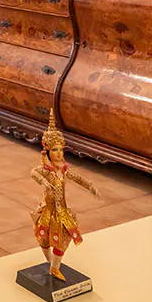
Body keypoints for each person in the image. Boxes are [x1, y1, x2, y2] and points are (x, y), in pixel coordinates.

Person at [31, 110, 99, 281]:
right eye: (55, 150)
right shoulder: (45, 171)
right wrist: (43, 182)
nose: (59, 154)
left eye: (61, 150)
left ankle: (55, 267)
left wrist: (89, 185)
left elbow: (76, 177)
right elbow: (33, 172)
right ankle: (51, 264)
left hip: (62, 212)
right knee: (44, 239)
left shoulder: (64, 169)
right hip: (48, 211)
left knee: (65, 237)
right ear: (47, 152)